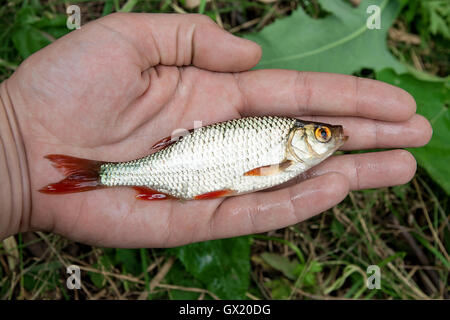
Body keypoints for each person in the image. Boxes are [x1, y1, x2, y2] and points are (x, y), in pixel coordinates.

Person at [0, 13, 432, 247]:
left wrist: (15, 149)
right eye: (321, 135)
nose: (330, 139)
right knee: (121, 172)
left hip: (188, 174)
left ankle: (91, 174)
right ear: (298, 140)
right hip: (183, 169)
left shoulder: (285, 152)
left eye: (324, 137)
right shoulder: (284, 156)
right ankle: (101, 173)